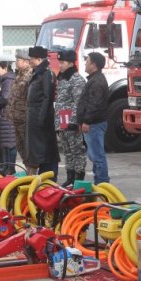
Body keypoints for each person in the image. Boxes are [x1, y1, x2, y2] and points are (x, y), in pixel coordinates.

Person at [25, 46, 60, 178]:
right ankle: (42, 174)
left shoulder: (46, 73)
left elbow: (47, 97)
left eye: (32, 59)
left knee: (45, 148)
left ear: (39, 59)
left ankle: (49, 175)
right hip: (34, 115)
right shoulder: (37, 73)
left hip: (41, 116)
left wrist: (41, 117)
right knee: (37, 149)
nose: (30, 61)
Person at [76, 52, 110, 184]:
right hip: (92, 124)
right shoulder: (94, 79)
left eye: (87, 61)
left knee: (98, 156)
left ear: (94, 65)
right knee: (94, 156)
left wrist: (87, 121)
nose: (85, 63)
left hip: (94, 124)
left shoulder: (97, 82)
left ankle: (102, 184)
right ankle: (100, 183)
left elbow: (94, 104)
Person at [54, 50, 87, 186]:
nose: (60, 65)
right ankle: (70, 176)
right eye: (60, 62)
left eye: (62, 63)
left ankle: (78, 178)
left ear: (70, 63)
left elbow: (78, 102)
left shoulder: (76, 79)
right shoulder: (62, 78)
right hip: (62, 121)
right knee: (67, 151)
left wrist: (74, 121)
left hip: (71, 122)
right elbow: (61, 102)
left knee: (76, 151)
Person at [10, 48, 33, 172]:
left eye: (18, 60)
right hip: (16, 117)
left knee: (27, 146)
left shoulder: (30, 75)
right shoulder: (19, 75)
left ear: (26, 61)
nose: (16, 62)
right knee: (20, 146)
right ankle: (28, 169)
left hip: (24, 117)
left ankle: (31, 171)